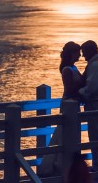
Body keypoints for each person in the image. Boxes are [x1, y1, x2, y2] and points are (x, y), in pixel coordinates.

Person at [40, 41, 83, 176]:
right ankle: (55, 163)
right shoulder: (67, 70)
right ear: (72, 53)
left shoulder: (74, 68)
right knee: (63, 132)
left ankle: (69, 163)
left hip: (74, 104)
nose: (80, 56)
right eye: (78, 52)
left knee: (73, 132)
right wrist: (83, 86)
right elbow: (70, 89)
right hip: (68, 103)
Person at [79, 40, 98, 172]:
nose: (83, 56)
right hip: (96, 104)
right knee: (96, 135)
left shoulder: (97, 65)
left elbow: (91, 87)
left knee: (97, 136)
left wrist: (78, 93)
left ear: (91, 50)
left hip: (97, 105)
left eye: (84, 52)